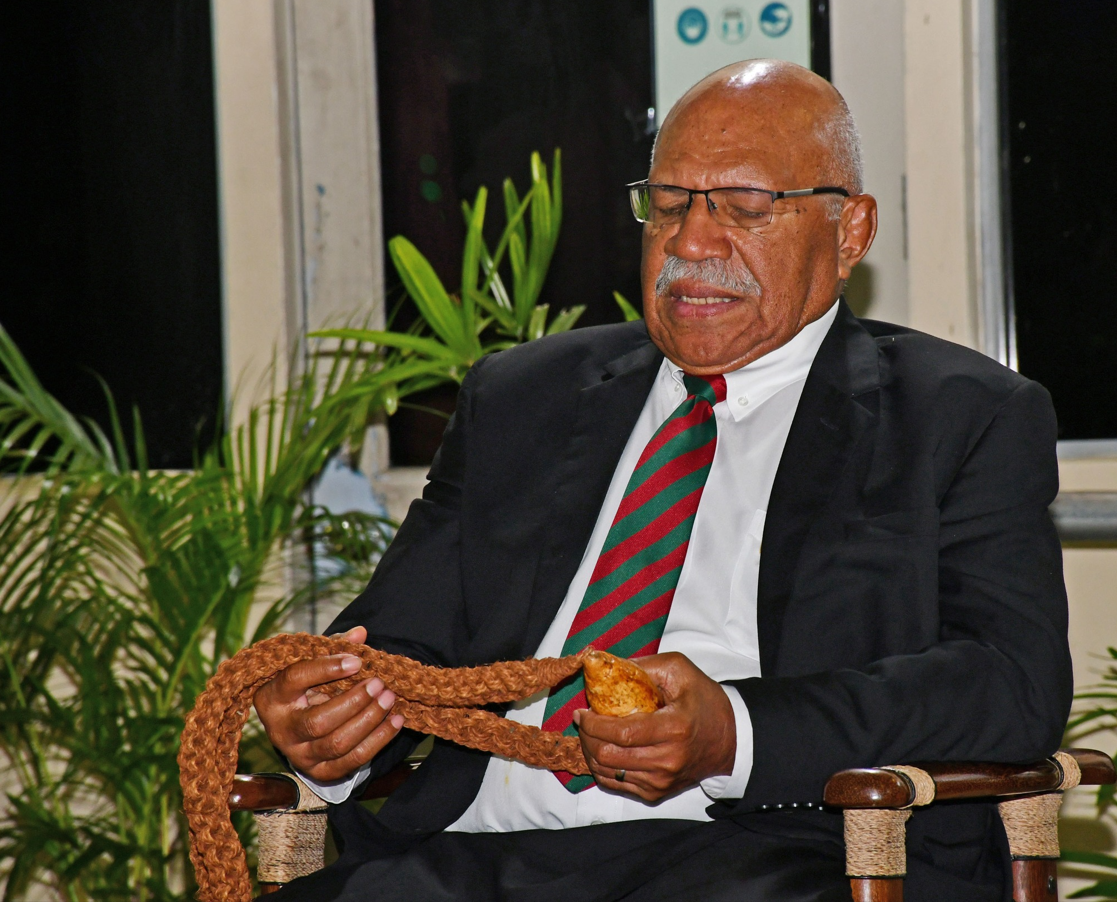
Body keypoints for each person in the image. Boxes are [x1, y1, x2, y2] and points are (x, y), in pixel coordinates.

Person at [254, 59, 1071, 901]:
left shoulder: (957, 416)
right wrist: (331, 719)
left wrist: (736, 733)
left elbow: (1008, 680)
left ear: (849, 230)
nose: (690, 243)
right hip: (470, 848)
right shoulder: (522, 399)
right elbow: (400, 645)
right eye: (670, 203)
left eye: (745, 207)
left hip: (769, 851)